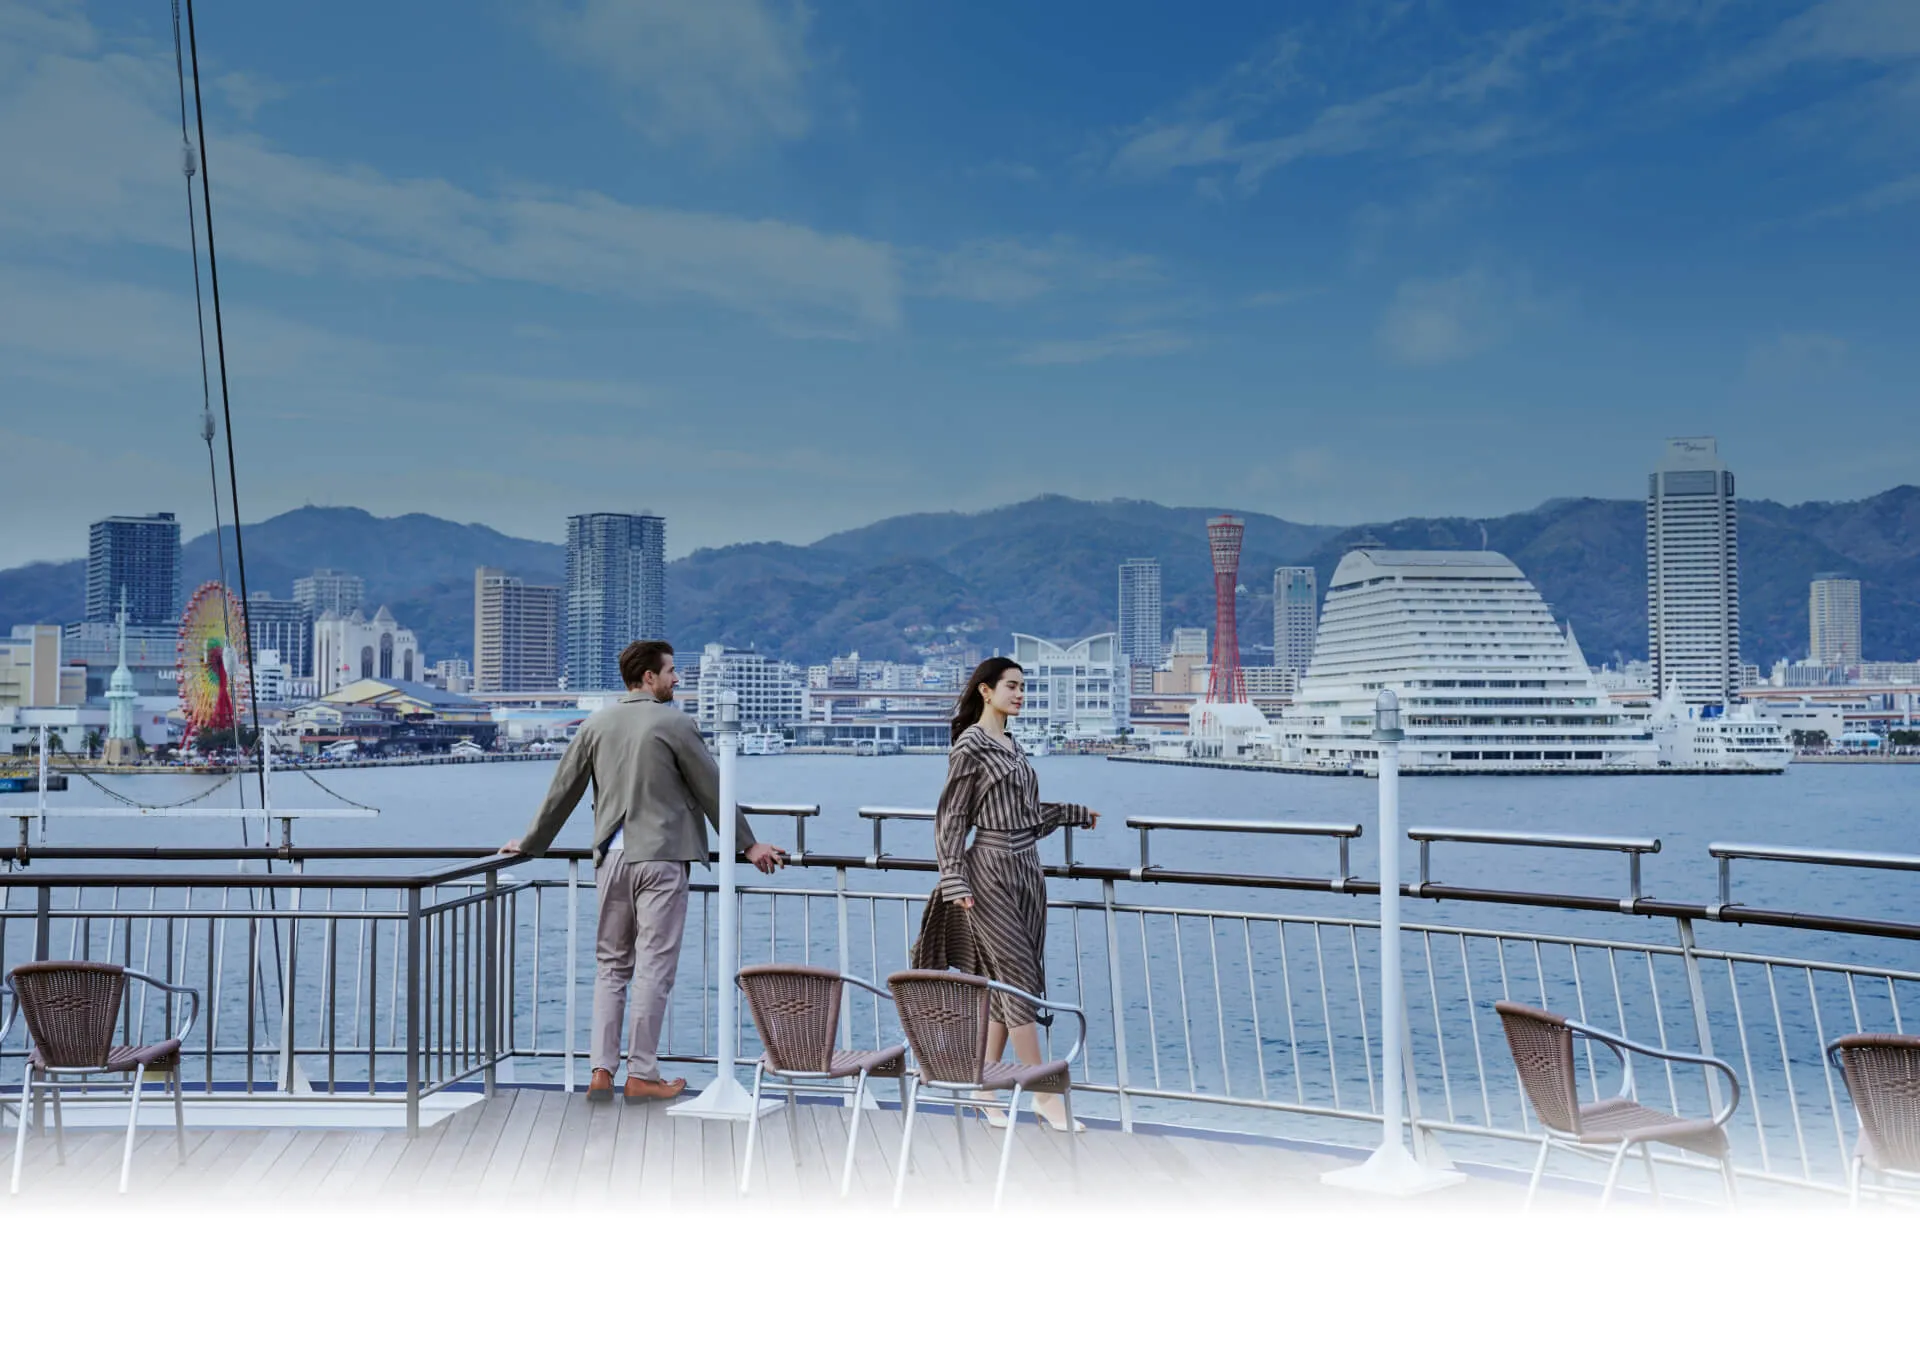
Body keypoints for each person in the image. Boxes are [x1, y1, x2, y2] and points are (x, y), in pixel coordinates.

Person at [504, 639, 785, 1105]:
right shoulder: (675, 723)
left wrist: (531, 843)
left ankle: (600, 1071)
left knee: (611, 966)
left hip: (611, 858)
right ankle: (642, 1073)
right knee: (654, 965)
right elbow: (715, 790)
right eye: (672, 671)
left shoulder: (596, 724)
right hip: (661, 858)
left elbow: (562, 793)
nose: (677, 679)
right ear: (648, 678)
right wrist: (748, 844)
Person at [912, 656, 1098, 1132]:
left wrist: (1074, 812)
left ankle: (983, 1087)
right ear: (985, 692)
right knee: (1016, 976)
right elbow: (951, 818)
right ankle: (1042, 1091)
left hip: (1027, 870)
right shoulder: (970, 746)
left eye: (1022, 687)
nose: (1019, 694)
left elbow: (1028, 813)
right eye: (1011, 686)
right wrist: (953, 878)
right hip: (989, 871)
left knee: (1013, 980)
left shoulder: (1012, 745)